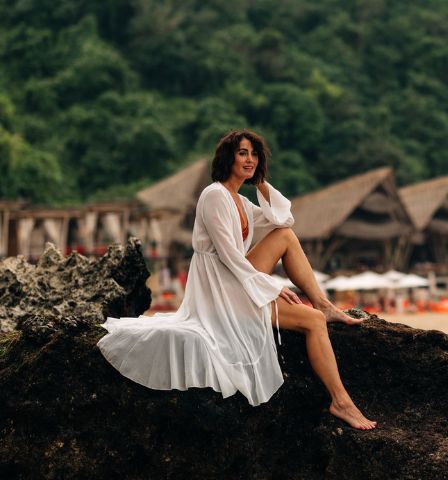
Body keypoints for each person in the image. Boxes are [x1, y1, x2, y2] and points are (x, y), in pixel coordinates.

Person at [98, 129, 376, 430]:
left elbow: (284, 220)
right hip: (221, 291)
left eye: (254, 154)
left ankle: (323, 303)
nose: (250, 159)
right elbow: (230, 257)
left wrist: (260, 183)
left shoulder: (241, 202)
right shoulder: (214, 195)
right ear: (227, 157)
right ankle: (341, 401)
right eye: (242, 153)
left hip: (237, 282)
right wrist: (272, 286)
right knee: (313, 322)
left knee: (285, 236)